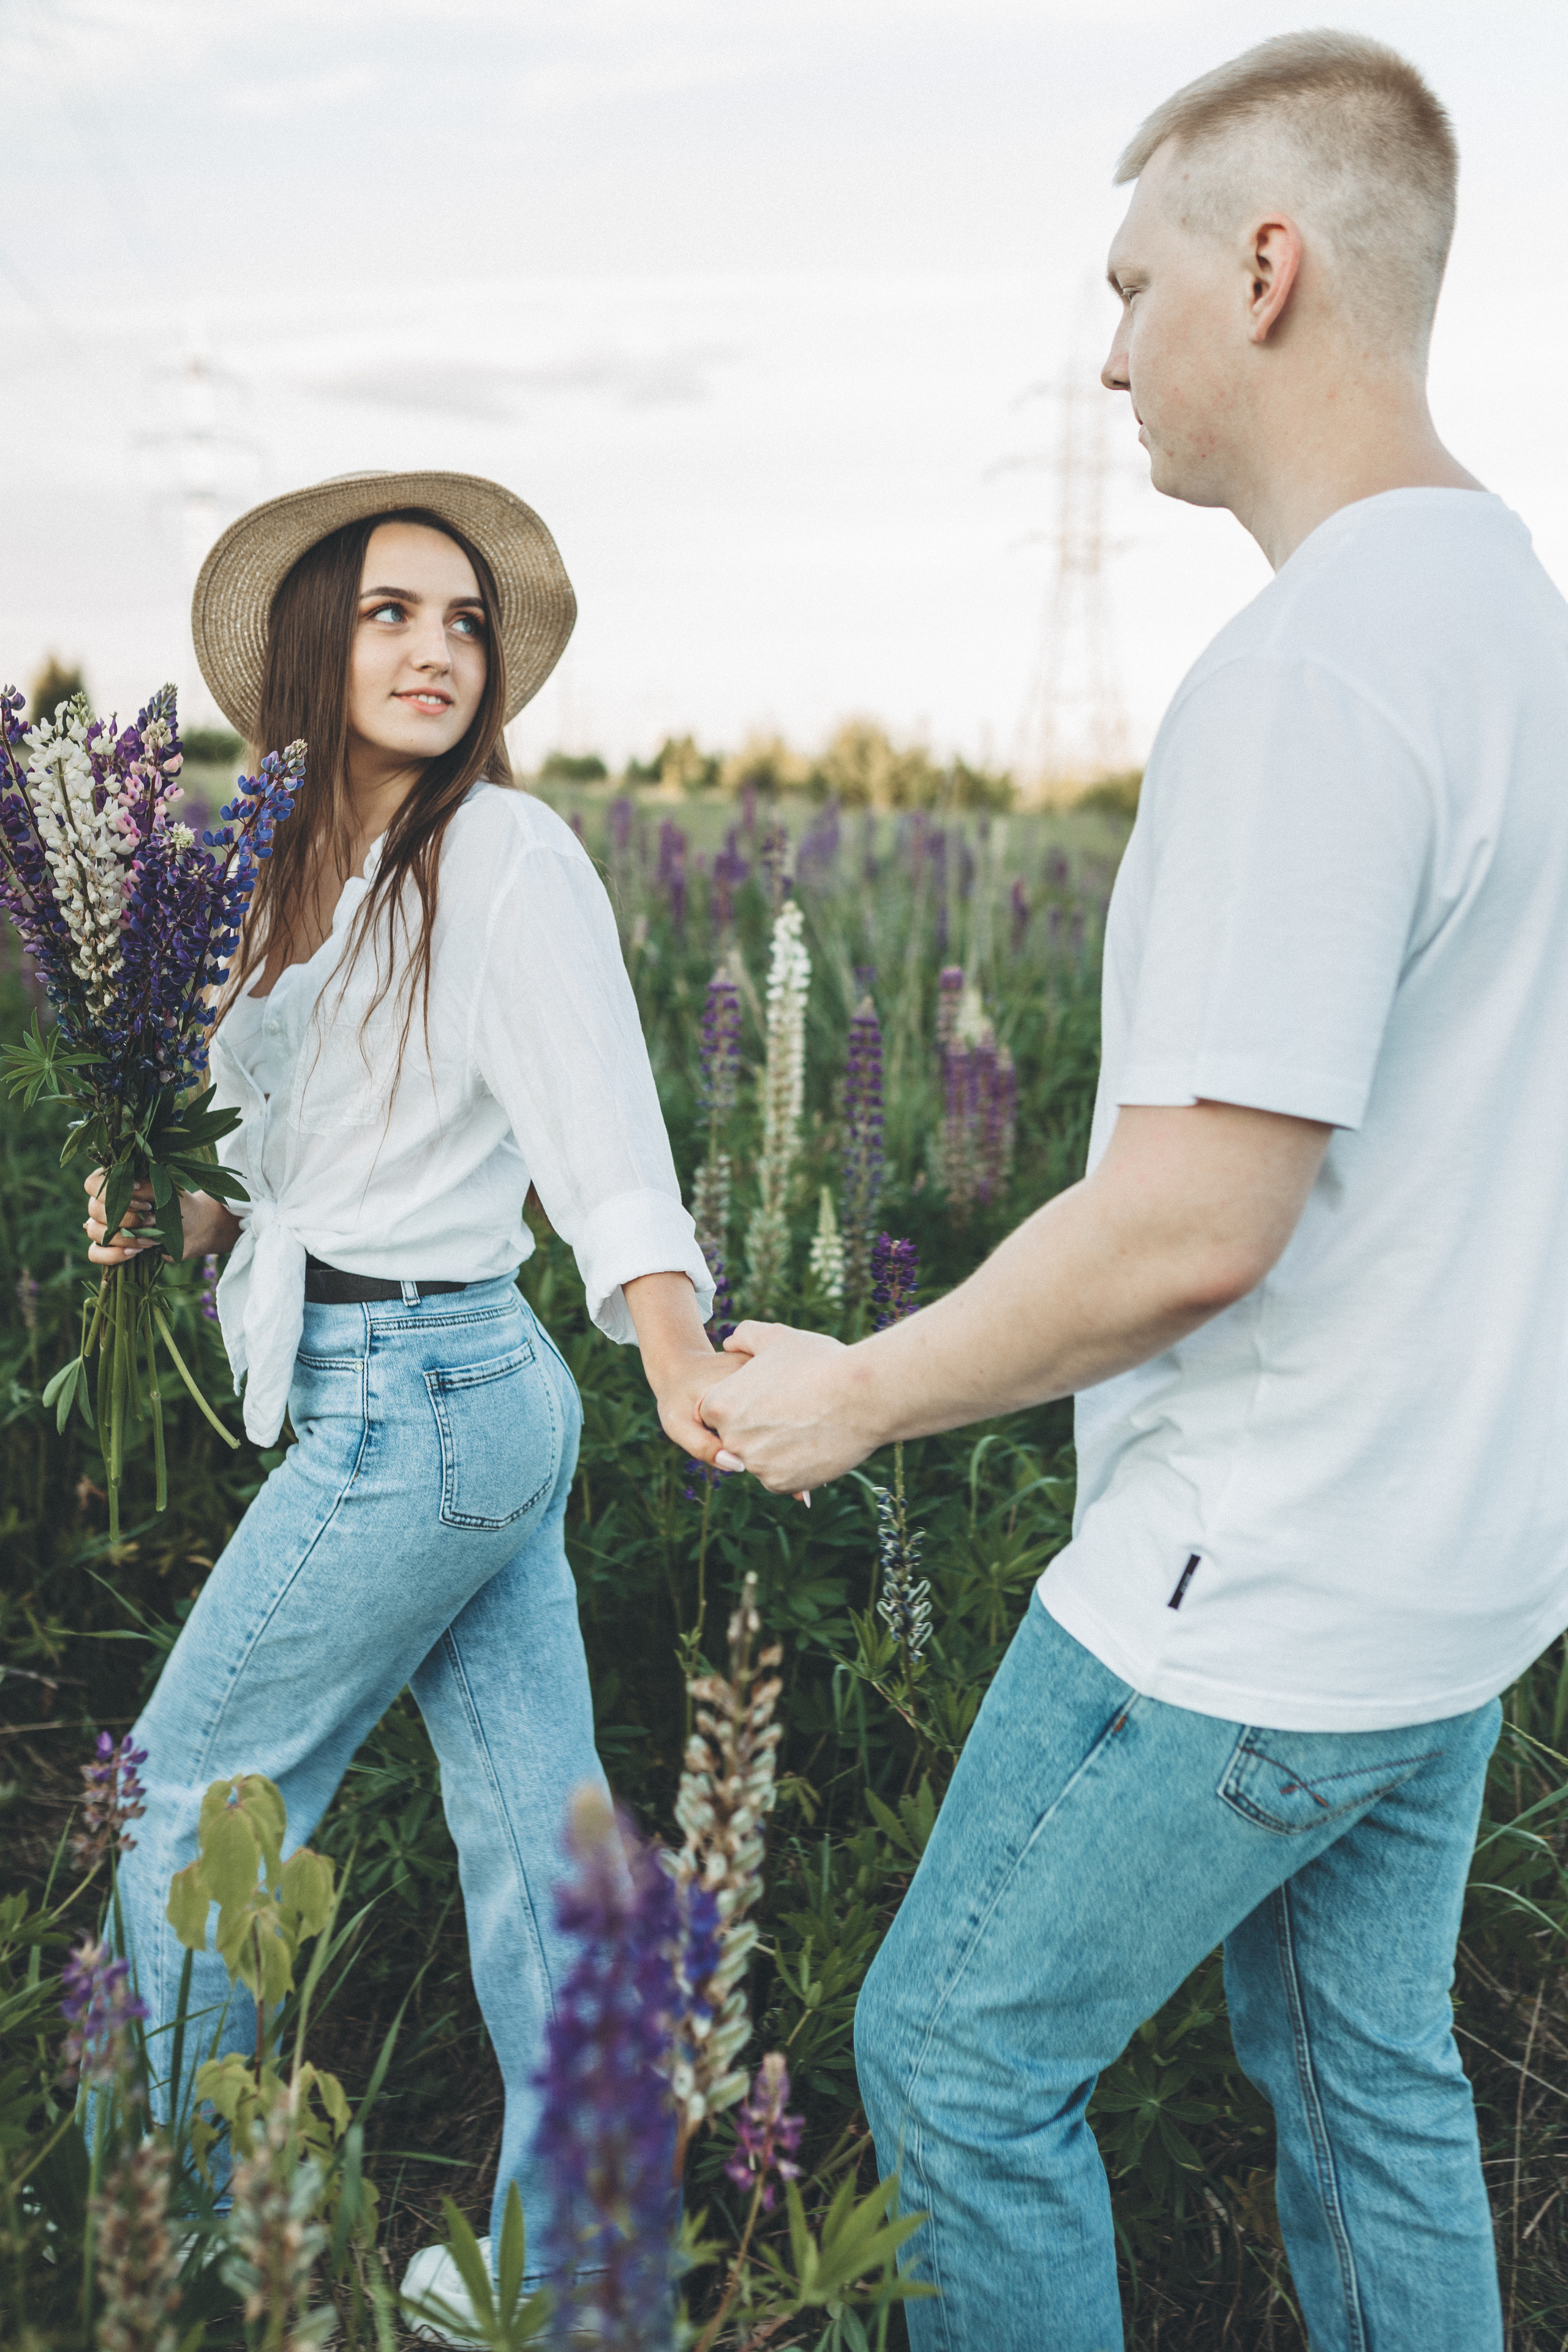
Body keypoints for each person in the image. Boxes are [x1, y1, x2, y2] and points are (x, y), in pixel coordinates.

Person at [704, 31, 1568, 2352]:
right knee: (1366, 2081)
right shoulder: (1526, 629)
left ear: (1267, 270)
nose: (1104, 356)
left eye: (1132, 285)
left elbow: (1199, 1222)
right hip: (1461, 1583)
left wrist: (861, 1392)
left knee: (955, 2057)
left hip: (1254, 1593)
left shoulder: (1314, 678)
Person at [83, 470, 734, 2318]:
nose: (440, 648)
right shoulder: (269, 878)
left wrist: (675, 1339)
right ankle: (590, 2280)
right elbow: (278, 1168)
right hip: (436, 1395)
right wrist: (168, 1200)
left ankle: (207, 2260)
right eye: (394, 613)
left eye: (465, 623)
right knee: (548, 1868)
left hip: (422, 1397)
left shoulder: (503, 859)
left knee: (181, 1805)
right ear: (315, 645)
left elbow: (603, 1136)